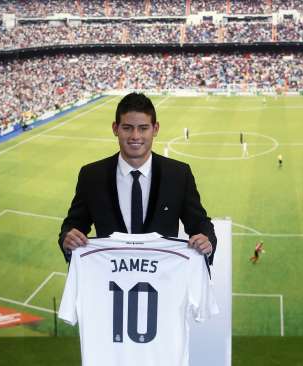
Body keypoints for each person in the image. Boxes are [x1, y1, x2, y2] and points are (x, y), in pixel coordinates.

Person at [59, 93, 217, 264]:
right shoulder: (92, 175)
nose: (135, 136)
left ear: (155, 129)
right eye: (127, 128)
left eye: (143, 128)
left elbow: (200, 223)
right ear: (115, 128)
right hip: (109, 280)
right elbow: (73, 225)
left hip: (164, 280)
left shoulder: (179, 174)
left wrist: (206, 239)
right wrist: (68, 240)